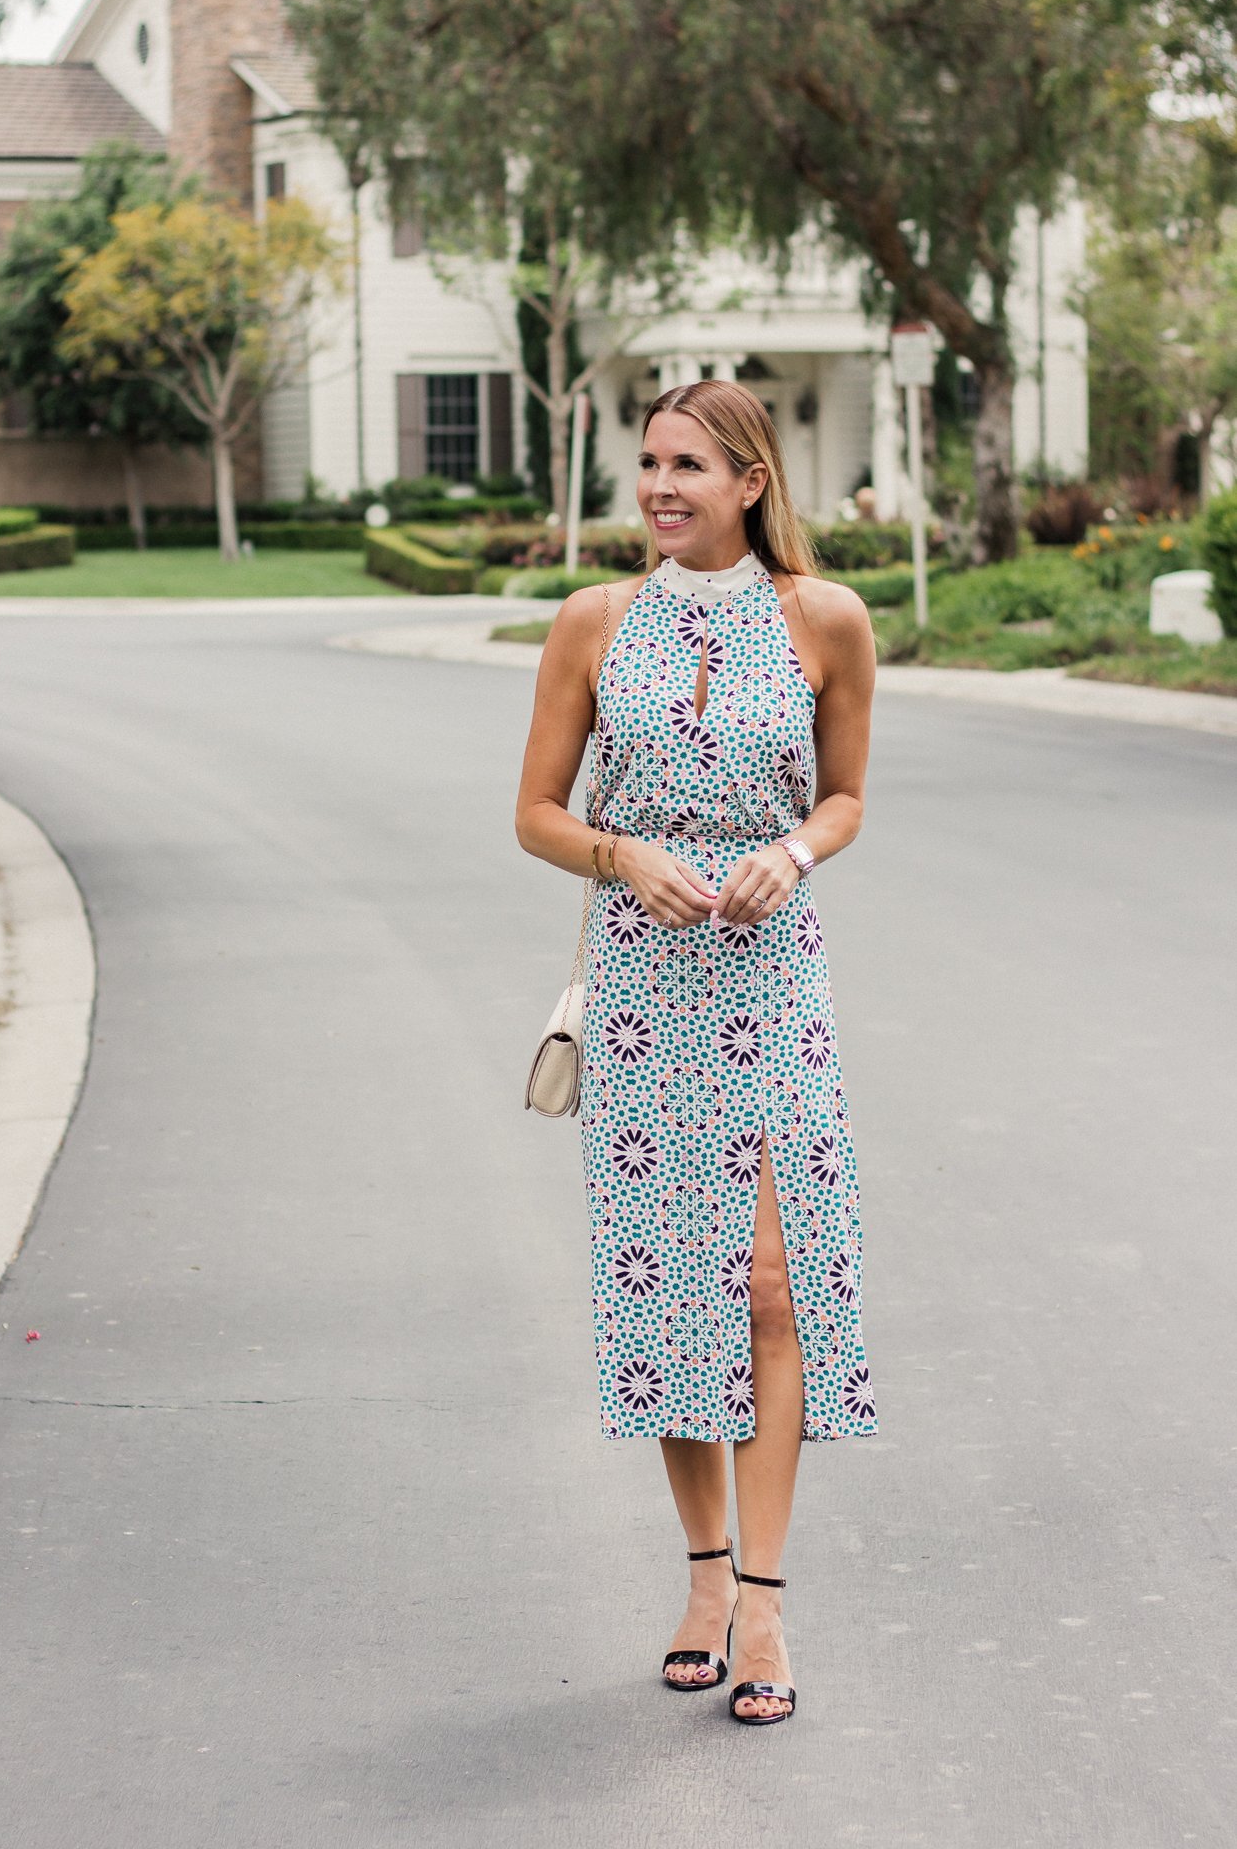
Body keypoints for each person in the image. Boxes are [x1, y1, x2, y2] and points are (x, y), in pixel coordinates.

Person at [514, 381, 879, 1725]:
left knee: (774, 1290)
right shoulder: (595, 623)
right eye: (649, 464)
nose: (660, 488)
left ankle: (769, 1613)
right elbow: (535, 813)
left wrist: (788, 852)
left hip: (774, 982)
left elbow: (843, 795)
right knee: (677, 1292)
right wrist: (620, 856)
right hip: (645, 986)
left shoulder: (824, 620)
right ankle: (705, 1579)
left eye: (688, 467)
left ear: (748, 482)